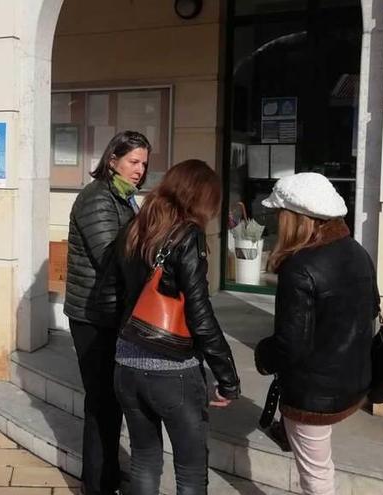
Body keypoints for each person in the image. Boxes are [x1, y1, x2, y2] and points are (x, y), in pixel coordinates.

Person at [115, 159, 240, 495]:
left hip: (126, 363)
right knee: (189, 469)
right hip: (173, 371)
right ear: (201, 197)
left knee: (143, 458)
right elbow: (200, 313)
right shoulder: (188, 234)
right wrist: (227, 377)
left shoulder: (137, 225)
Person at [254, 173, 378, 495]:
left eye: (280, 214)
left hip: (314, 395)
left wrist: (262, 354)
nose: (277, 221)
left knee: (316, 477)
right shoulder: (356, 251)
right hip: (352, 380)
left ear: (294, 218)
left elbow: (290, 344)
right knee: (321, 465)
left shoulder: (299, 267)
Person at [64, 130, 151, 495]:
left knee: (112, 399)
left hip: (113, 313)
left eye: (144, 164)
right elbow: (111, 257)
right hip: (92, 316)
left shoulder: (125, 197)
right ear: (112, 159)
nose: (140, 170)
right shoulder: (97, 198)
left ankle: (110, 472)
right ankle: (97, 484)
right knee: (101, 402)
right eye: (133, 161)